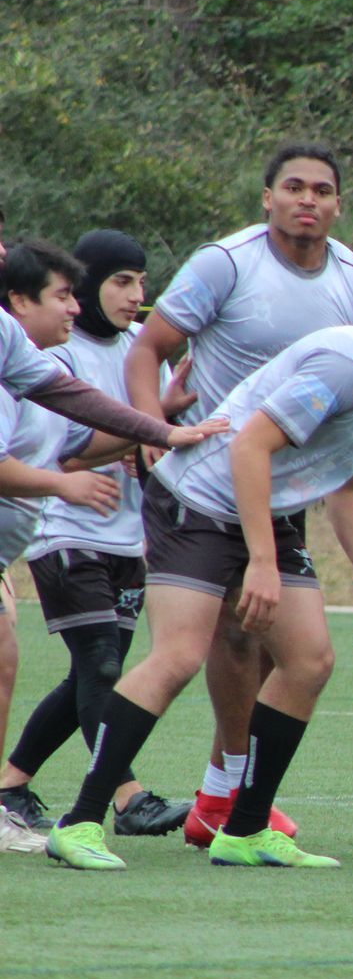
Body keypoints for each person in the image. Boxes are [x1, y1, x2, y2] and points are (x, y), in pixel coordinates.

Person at [42, 259, 353, 872]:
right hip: (198, 500)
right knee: (177, 656)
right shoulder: (346, 368)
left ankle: (245, 830)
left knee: (308, 660)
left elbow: (348, 487)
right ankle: (80, 822)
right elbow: (251, 444)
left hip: (264, 510)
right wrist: (259, 561)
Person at [126, 142, 353, 848]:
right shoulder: (226, 263)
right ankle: (144, 802)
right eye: (293, 187)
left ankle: (221, 797)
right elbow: (147, 347)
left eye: (323, 190)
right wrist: (152, 426)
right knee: (230, 640)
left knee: (281, 652)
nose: (308, 200)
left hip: (285, 488)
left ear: (338, 203)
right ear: (267, 197)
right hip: (210, 481)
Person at [2, 232, 195, 840]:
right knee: (101, 666)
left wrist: (160, 426)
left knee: (84, 672)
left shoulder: (33, 354)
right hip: (67, 536)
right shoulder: (43, 353)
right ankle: (125, 795)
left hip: (123, 538)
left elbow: (87, 426)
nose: (75, 305)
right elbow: (70, 458)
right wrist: (67, 484)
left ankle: (9, 783)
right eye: (120, 281)